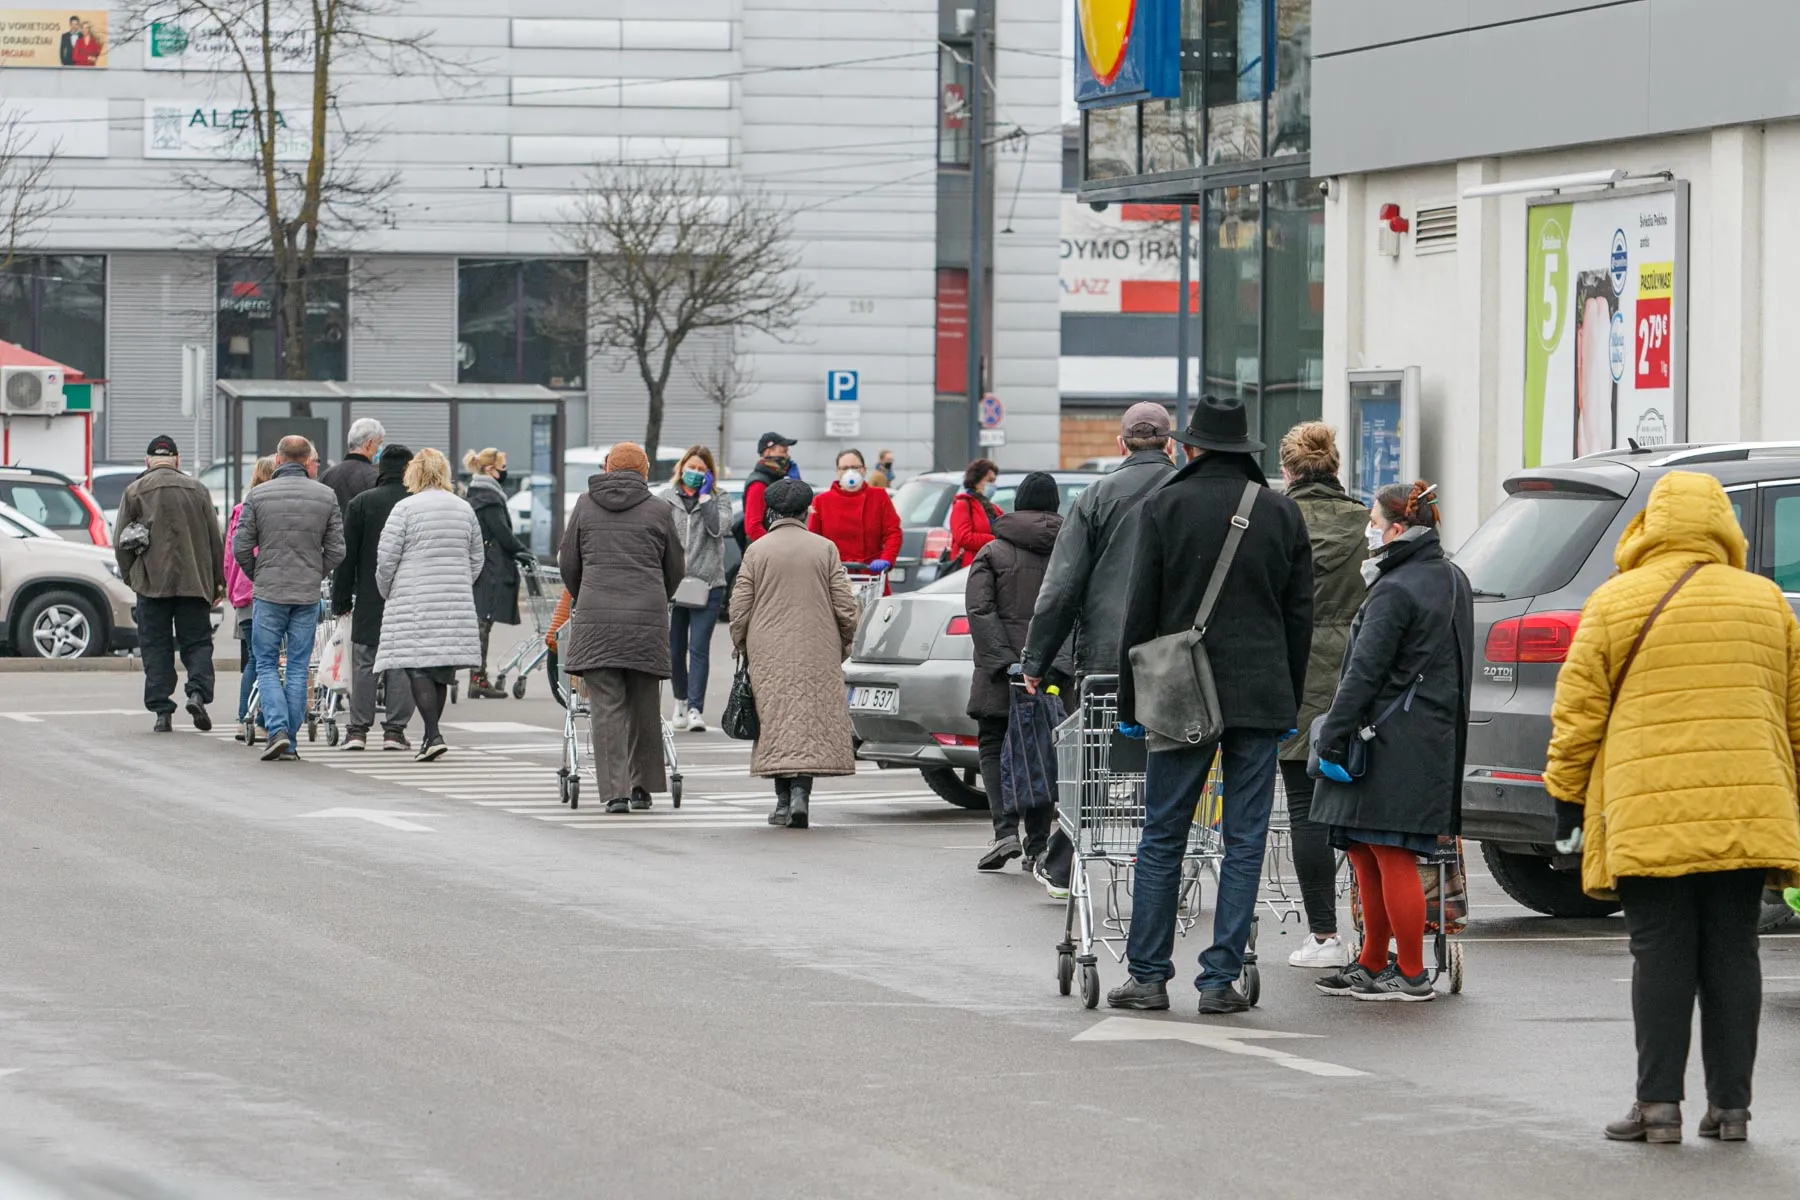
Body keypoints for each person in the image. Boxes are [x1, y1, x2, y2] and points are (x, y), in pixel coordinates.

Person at [1545, 471, 1800, 1144]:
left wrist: (1566, 798)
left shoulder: (1614, 601)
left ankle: (1658, 1107)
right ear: (1724, 526)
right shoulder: (1767, 602)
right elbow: (1797, 718)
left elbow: (1577, 715)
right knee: (1733, 952)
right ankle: (1733, 1109)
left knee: (1659, 952)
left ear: (1647, 526)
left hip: (1647, 807)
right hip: (1749, 807)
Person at [1110, 395, 1313, 1016]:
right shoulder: (1281, 513)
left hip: (1179, 695)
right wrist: (1289, 701)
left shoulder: (1165, 506)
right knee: (1246, 837)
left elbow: (1140, 608)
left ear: (1190, 449)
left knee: (1164, 833)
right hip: (1260, 695)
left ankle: (1147, 976)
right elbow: (1298, 617)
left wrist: (1129, 697)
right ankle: (1219, 980)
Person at [1309, 481, 1472, 1003]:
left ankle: (1410, 971)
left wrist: (1332, 732)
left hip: (1385, 738)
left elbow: (1363, 672)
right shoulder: (1451, 578)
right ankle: (1373, 962)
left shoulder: (1395, 588)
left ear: (1398, 530)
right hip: (1427, 734)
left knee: (1388, 852)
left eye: (1375, 524)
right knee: (1368, 850)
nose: (1369, 533)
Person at [1020, 402, 1177, 897]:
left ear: (1121, 444)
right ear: (1170, 445)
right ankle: (1166, 861)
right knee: (1174, 758)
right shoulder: (1193, 494)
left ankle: (1065, 862)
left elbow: (1062, 587)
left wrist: (1035, 659)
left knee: (1091, 762)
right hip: (1181, 656)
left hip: (1109, 657)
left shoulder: (1095, 497)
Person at [1274, 422, 1370, 969]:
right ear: (1334, 468)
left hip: (1295, 674)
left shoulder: (1276, 519)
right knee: (1369, 811)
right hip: (1359, 671)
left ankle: (1325, 935)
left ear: (1288, 472)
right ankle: (1376, 931)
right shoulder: (1365, 522)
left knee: (1305, 809)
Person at [559, 442, 684, 813]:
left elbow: (569, 561)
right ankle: (642, 786)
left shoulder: (585, 504)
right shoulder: (660, 509)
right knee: (644, 703)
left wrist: (588, 592)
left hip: (597, 615)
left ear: (609, 467)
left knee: (606, 706)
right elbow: (674, 567)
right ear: (644, 471)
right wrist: (656, 595)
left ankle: (616, 792)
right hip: (646, 616)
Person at [730, 478, 860, 829]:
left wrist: (740, 643)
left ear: (771, 512)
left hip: (767, 647)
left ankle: (783, 802)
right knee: (808, 723)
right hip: (818, 646)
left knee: (775, 722)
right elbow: (845, 605)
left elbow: (740, 606)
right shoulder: (825, 548)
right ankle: (802, 795)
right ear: (806, 511)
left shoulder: (757, 550)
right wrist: (846, 640)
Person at [966, 471, 1067, 871]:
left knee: (994, 744)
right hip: (1054, 675)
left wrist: (1005, 661)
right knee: (1043, 751)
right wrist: (1053, 663)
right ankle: (1039, 844)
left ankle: (1005, 831)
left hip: (1001, 673)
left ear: (1018, 503)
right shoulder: (1071, 551)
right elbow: (1078, 610)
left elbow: (979, 609)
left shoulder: (993, 552)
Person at [233, 435, 346, 762]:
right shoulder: (326, 496)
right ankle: (289, 742)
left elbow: (241, 547)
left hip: (269, 593)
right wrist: (315, 572)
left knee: (266, 663)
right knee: (298, 666)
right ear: (307, 459)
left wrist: (260, 573)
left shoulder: (258, 495)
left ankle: (278, 730)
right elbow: (338, 549)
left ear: (278, 461)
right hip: (306, 594)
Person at [373, 449, 483, 762]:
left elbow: (387, 558)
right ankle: (430, 735)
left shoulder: (405, 508)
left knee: (418, 665)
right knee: (441, 668)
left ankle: (433, 733)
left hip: (413, 598)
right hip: (453, 598)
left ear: (414, 473)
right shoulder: (464, 509)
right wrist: (461, 581)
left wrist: (387, 590)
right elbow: (477, 558)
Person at [113, 435, 226, 733]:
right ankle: (197, 693)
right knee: (198, 642)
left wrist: (132, 577)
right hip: (194, 582)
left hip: (152, 583)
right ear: (177, 460)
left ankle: (162, 710)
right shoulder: (198, 490)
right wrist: (217, 582)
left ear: (147, 460)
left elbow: (120, 541)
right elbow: (216, 540)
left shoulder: (135, 490)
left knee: (155, 645)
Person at [331, 443, 417, 752]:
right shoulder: (415, 503)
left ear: (381, 468)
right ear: (408, 469)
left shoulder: (361, 503)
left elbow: (346, 557)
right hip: (409, 597)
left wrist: (340, 599)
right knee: (401, 662)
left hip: (368, 594)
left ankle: (357, 730)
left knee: (365, 661)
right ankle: (394, 731)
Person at [662, 445, 733, 733]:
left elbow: (719, 529)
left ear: (709, 475)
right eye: (691, 468)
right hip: (674, 584)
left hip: (708, 584)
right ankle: (679, 701)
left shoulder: (719, 498)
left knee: (699, 648)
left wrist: (706, 500)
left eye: (701, 470)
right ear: (681, 468)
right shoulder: (666, 499)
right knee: (675, 649)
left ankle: (695, 709)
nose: (694, 474)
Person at [463, 447, 533, 699]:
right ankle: (478, 678)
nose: (505, 472)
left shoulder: (478, 493)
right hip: (490, 566)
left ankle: (476, 677)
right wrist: (523, 551)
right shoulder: (489, 498)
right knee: (483, 621)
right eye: (502, 468)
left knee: (481, 621)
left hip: (482, 562)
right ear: (489, 469)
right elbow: (502, 533)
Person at [224, 455, 277, 739]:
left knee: (254, 659)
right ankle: (257, 717)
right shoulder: (271, 510)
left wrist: (231, 589)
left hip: (243, 594)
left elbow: (229, 557)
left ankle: (245, 715)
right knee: (267, 659)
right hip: (267, 591)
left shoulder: (238, 510)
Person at [807, 448, 901, 590]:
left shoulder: (879, 497)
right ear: (838, 471)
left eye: (855, 467)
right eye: (844, 468)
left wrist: (886, 558)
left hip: (871, 576)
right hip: (835, 577)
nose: (850, 472)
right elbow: (813, 540)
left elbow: (893, 532)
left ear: (864, 470)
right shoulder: (821, 502)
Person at [742, 431, 798, 543]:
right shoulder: (759, 484)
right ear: (768, 452)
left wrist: (797, 484)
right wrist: (775, 547)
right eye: (783, 451)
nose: (787, 456)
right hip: (767, 555)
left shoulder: (775, 480)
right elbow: (753, 527)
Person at [947, 458, 1001, 570]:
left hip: (991, 565)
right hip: (970, 568)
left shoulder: (994, 508)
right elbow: (964, 538)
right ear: (976, 481)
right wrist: (995, 540)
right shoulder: (963, 504)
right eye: (989, 480)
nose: (994, 485)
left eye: (994, 481)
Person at [322, 418, 383, 513]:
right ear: (369, 443)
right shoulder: (373, 477)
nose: (380, 449)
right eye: (379, 443)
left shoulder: (327, 475)